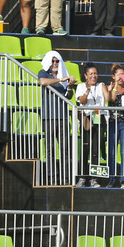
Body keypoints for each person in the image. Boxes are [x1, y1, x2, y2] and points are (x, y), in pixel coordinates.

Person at [38, 51, 75, 184]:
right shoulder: (44, 72)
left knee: (65, 149)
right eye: (53, 61)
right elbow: (42, 82)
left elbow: (68, 96)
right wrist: (61, 80)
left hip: (63, 117)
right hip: (48, 117)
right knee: (50, 149)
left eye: (57, 61)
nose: (55, 63)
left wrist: (69, 87)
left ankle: (65, 178)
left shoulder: (63, 75)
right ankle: (52, 178)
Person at [75, 63, 108, 188]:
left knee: (96, 150)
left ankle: (94, 179)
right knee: (85, 150)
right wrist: (88, 90)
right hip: (87, 118)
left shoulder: (101, 86)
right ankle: (82, 177)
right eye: (91, 74)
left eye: (95, 73)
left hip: (99, 117)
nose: (93, 76)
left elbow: (108, 98)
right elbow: (82, 101)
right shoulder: (80, 86)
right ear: (85, 75)